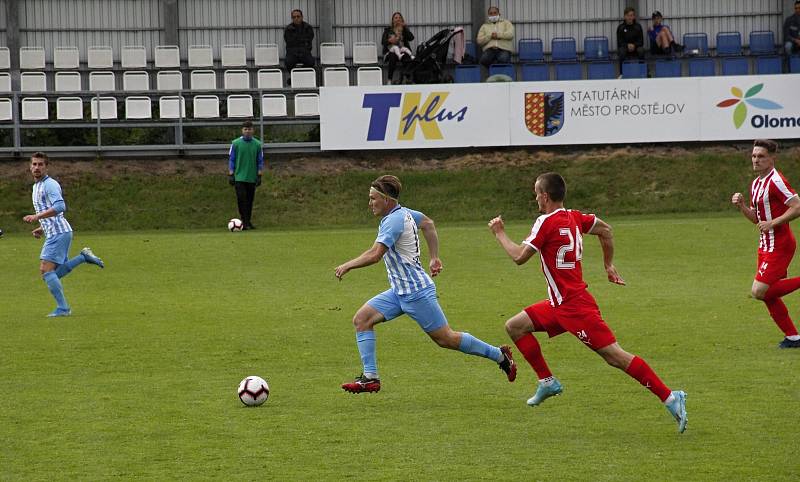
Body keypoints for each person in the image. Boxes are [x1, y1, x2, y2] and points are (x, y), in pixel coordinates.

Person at [488, 172, 687, 433]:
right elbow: (606, 230)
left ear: (545, 196)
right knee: (515, 326)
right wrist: (608, 264)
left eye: (536, 193)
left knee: (615, 356)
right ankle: (547, 381)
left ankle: (671, 397)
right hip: (559, 304)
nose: (535, 197)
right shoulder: (575, 217)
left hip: (575, 307)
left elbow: (519, 257)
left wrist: (500, 233)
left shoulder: (545, 222)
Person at [334, 175, 516, 393]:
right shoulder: (405, 213)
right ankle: (370, 378)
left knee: (446, 339)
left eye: (373, 198)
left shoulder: (393, 221)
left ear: (387, 199)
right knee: (362, 319)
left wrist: (348, 265)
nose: (370, 203)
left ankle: (499, 355)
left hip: (416, 293)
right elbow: (428, 224)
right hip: (400, 292)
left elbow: (375, 254)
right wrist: (434, 257)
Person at [731, 139, 800, 349]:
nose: (756, 160)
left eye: (761, 156)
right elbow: (757, 219)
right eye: (754, 156)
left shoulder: (776, 181)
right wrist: (743, 206)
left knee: (759, 291)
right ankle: (793, 337)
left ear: (772, 159)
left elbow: (797, 206)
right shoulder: (756, 183)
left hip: (780, 244)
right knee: (768, 294)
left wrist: (774, 222)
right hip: (765, 245)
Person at [23, 152, 105, 317]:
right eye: (34, 164)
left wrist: (37, 217)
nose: (37, 167)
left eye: (40, 164)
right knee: (52, 273)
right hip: (56, 231)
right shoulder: (36, 186)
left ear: (47, 167)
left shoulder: (50, 184)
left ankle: (63, 308)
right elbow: (50, 210)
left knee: (46, 271)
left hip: (58, 233)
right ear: (30, 167)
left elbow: (60, 207)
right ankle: (83, 257)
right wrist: (42, 227)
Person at [228, 121, 264, 230]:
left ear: (253, 130)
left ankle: (247, 221)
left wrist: (259, 175)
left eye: (249, 129)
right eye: (245, 129)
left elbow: (260, 160)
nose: (247, 131)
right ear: (242, 130)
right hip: (239, 177)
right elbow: (232, 159)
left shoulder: (257, 144)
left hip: (251, 177)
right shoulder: (235, 143)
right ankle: (244, 220)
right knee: (241, 199)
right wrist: (231, 174)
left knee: (249, 200)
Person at [381, 12, 415, 84]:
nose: (398, 19)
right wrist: (390, 41)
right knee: (393, 56)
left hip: (401, 50)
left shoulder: (404, 29)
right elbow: (383, 42)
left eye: (399, 18)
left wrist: (405, 27)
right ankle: (389, 80)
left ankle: (408, 79)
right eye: (396, 18)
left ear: (402, 20)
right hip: (391, 51)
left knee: (406, 56)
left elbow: (411, 38)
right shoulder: (387, 30)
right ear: (393, 20)